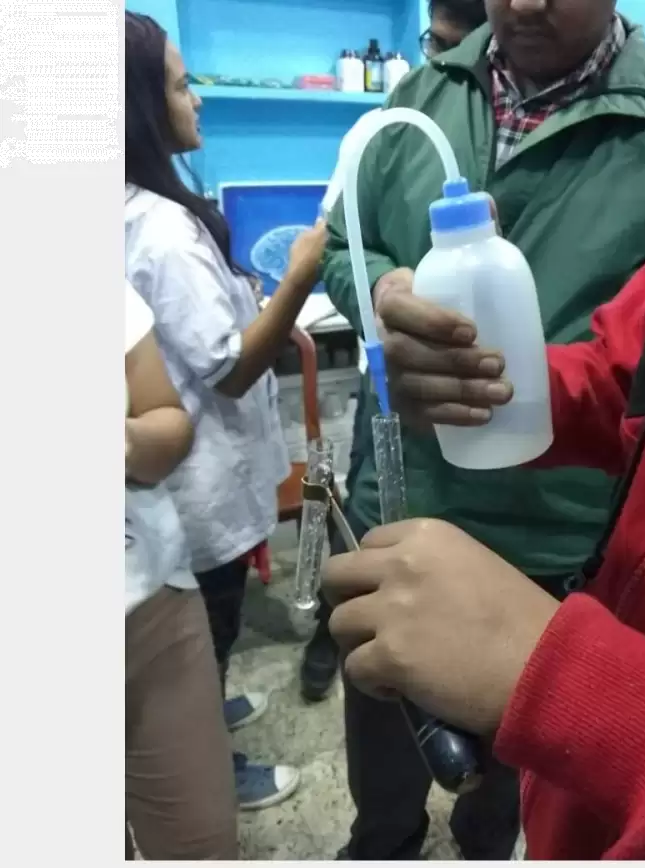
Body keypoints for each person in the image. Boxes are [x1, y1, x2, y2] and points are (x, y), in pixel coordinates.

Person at [323, 0, 645, 859]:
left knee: (502, 793)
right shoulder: (417, 98)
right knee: (383, 774)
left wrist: (576, 687)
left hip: (550, 546)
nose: (525, 2)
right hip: (405, 505)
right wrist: (384, 293)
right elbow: (345, 244)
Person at [123, 11, 327, 811]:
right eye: (182, 87)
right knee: (209, 624)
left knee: (209, 624)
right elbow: (232, 368)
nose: (198, 99)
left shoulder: (141, 209)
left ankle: (207, 707)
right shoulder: (164, 231)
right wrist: (300, 278)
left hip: (183, 485)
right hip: (199, 484)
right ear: (144, 107)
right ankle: (212, 765)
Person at [300, 0, 489, 703]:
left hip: (516, 460)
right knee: (369, 530)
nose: (446, 61)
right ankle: (330, 637)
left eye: (458, 44)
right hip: (391, 389)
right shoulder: (392, 120)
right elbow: (339, 243)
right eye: (436, 44)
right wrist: (381, 291)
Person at [125, 281, 238, 859]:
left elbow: (166, 420)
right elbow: (230, 367)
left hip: (149, 599)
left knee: (203, 839)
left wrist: (123, 440)